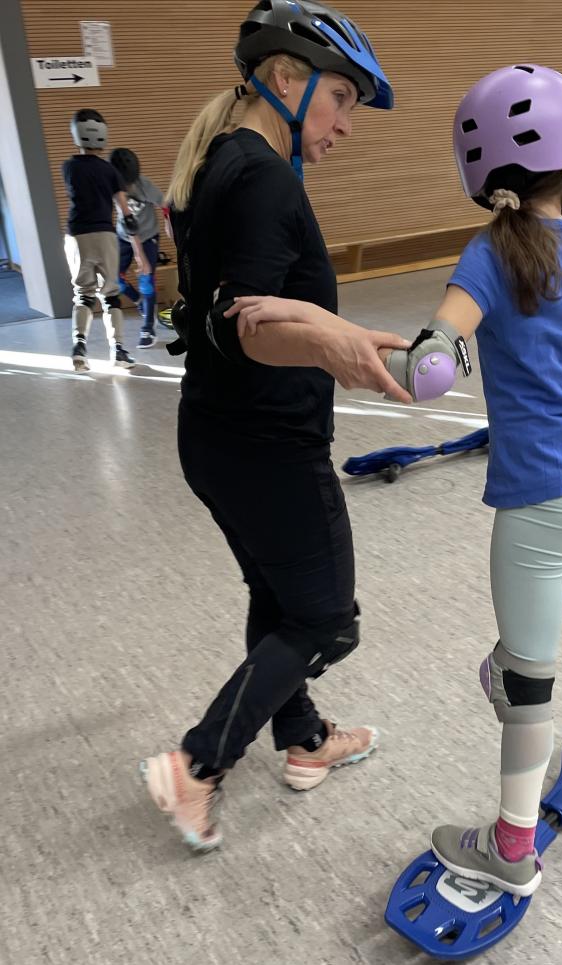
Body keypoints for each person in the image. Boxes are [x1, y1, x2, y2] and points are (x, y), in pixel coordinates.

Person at [240, 64, 562, 898]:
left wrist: (358, 344)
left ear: (481, 168)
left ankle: (512, 847)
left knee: (523, 675)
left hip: (540, 502)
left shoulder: (487, 255)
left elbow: (436, 358)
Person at [140, 0, 409, 853]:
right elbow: (240, 323)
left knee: (279, 597)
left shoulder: (224, 161)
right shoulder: (262, 176)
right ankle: (198, 760)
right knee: (326, 618)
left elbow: (229, 313)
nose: (344, 125)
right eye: (340, 98)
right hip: (265, 446)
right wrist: (335, 341)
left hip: (218, 437)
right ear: (285, 81)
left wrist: (329, 334)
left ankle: (303, 742)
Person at [62, 109, 139, 371]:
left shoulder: (69, 167)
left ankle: (79, 349)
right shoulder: (109, 170)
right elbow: (124, 209)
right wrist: (133, 232)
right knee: (110, 294)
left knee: (83, 294)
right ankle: (118, 351)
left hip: (76, 235)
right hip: (104, 233)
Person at [109, 148, 166, 349]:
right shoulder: (112, 187)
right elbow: (127, 224)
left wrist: (169, 223)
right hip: (124, 237)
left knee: (146, 281)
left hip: (148, 236)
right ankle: (140, 302)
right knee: (115, 279)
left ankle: (149, 327)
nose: (127, 186)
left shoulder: (144, 185)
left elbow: (165, 203)